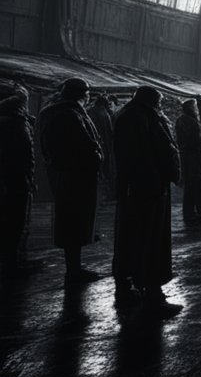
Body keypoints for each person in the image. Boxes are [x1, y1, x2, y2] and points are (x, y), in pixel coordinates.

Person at [111, 87, 183, 317]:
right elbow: (162, 150)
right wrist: (171, 173)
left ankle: (126, 286)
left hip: (135, 185)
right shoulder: (146, 118)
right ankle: (152, 294)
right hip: (150, 186)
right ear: (152, 101)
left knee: (129, 236)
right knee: (151, 240)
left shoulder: (126, 115)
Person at [36, 78, 105, 283]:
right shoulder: (70, 114)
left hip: (61, 173)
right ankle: (74, 270)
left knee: (69, 220)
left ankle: (74, 267)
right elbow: (85, 144)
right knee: (75, 221)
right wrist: (97, 157)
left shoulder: (51, 112)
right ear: (81, 94)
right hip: (76, 174)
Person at [1, 85, 40, 281]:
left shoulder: (16, 122)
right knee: (15, 222)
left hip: (18, 179)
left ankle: (18, 259)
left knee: (18, 221)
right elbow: (20, 156)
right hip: (15, 180)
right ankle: (12, 263)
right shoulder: (13, 125)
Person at [176, 99, 201, 224]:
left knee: (196, 186)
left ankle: (198, 211)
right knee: (193, 186)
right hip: (193, 159)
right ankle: (191, 214)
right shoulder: (187, 121)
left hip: (196, 158)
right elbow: (196, 140)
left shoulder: (187, 120)